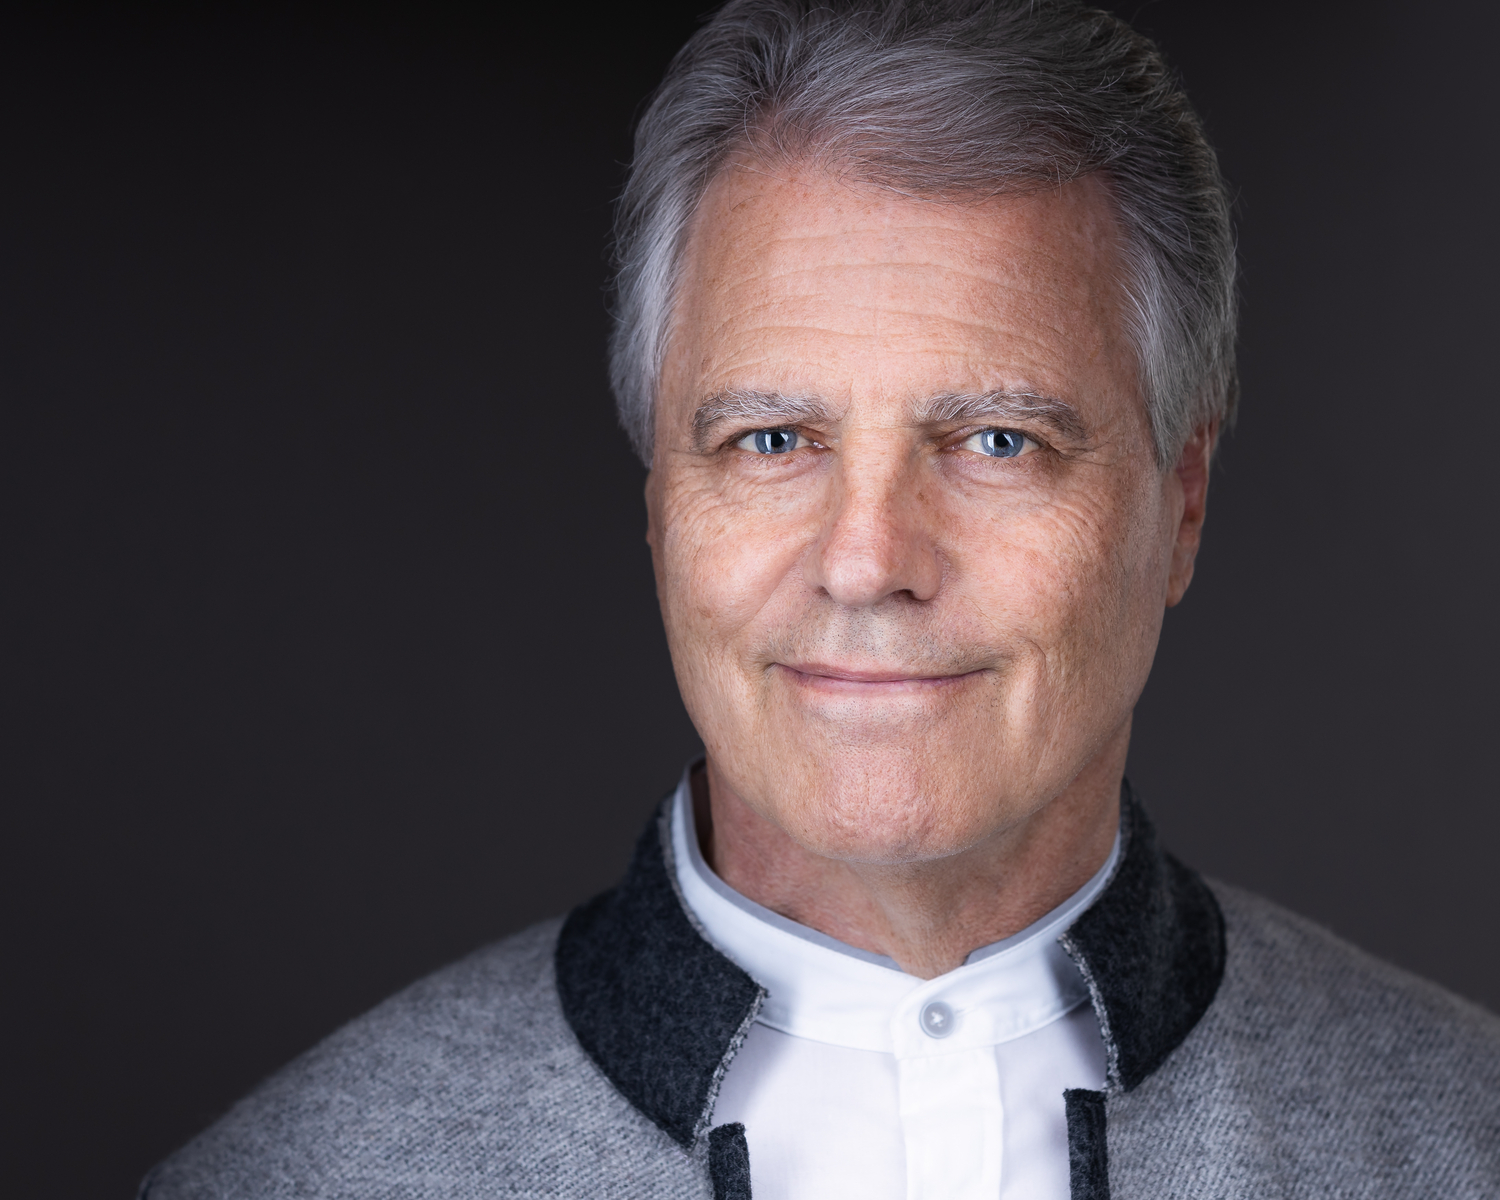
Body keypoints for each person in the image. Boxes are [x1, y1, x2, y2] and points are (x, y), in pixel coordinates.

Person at [140, 2, 1500, 1197]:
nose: (866, 560)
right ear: (661, 505)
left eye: (998, 441)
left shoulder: (1467, 1140)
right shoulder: (294, 1179)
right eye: (773, 440)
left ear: (1180, 503)